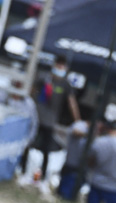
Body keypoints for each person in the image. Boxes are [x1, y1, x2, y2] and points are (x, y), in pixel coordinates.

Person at [21, 53, 80, 183]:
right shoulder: (44, 78)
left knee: (46, 149)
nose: (60, 68)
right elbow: (32, 91)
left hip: (50, 121)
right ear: (54, 65)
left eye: (62, 66)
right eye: (58, 65)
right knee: (28, 144)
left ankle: (42, 179)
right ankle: (23, 172)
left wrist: (77, 121)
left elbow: (72, 102)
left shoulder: (65, 84)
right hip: (36, 118)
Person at [55, 119, 89, 203]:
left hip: (82, 168)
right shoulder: (80, 125)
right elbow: (75, 132)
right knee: (64, 196)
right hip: (71, 165)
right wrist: (89, 135)